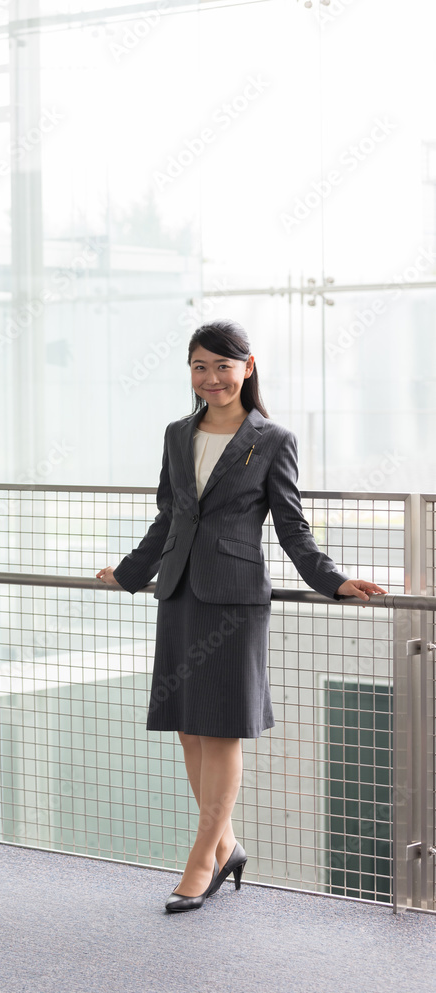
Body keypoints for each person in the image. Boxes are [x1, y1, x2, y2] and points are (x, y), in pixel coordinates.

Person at [96, 319, 387, 913]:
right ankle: (226, 845)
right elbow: (169, 517)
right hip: (178, 591)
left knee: (223, 727)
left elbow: (292, 526)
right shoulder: (178, 434)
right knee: (187, 724)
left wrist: (333, 580)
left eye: (223, 367)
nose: (211, 379)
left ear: (247, 368)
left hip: (233, 601)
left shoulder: (272, 439)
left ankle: (202, 858)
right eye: (200, 367)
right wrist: (130, 573)